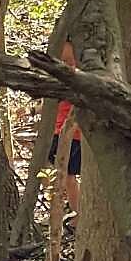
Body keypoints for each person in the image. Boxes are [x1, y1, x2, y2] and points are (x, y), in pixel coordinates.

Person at [47, 40, 80, 217]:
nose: (66, 64)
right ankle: (64, 208)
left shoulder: (77, 80)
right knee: (57, 173)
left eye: (69, 60)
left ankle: (78, 213)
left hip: (73, 135)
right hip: (57, 132)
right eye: (62, 60)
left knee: (68, 177)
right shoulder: (58, 79)